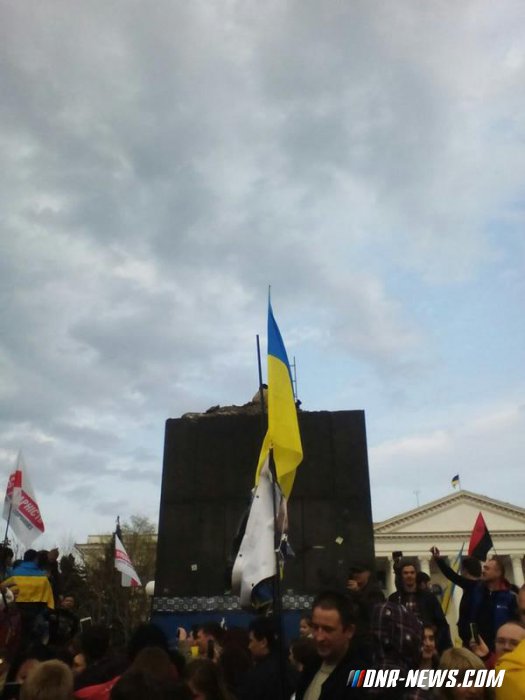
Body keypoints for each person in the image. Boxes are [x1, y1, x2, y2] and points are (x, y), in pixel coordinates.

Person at [295, 590, 369, 700]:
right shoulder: (311, 665)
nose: (319, 637)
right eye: (315, 628)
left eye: (328, 630)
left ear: (349, 631)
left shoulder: (360, 676)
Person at [388, 558, 451, 652]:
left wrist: (436, 644)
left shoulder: (429, 597)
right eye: (406, 573)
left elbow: (441, 624)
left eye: (412, 572)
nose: (409, 575)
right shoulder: (394, 599)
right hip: (403, 647)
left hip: (426, 645)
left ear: (416, 575)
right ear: (401, 576)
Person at [431, 547, 481, 647]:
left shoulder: (470, 585)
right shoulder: (483, 587)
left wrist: (438, 559)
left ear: (465, 570)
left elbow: (451, 575)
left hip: (472, 637)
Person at [237, 616, 294, 700]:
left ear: (263, 642)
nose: (249, 646)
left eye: (251, 641)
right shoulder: (292, 672)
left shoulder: (255, 678)